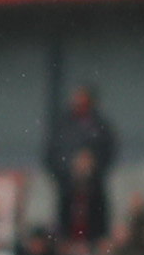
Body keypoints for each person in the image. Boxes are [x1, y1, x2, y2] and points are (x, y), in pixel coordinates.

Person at [45, 84, 119, 242]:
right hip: (67, 188)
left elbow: (109, 153)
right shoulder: (62, 126)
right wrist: (70, 165)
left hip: (93, 189)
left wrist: (92, 163)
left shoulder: (101, 126)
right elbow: (51, 154)